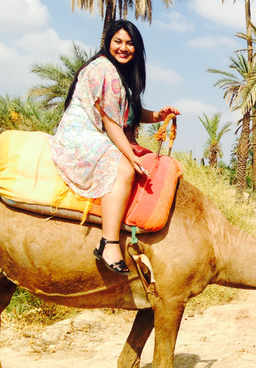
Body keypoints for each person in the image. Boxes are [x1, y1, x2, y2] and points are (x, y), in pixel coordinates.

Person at [49, 20, 180, 275]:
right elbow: (111, 122)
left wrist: (158, 115)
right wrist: (129, 156)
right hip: (80, 136)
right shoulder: (104, 70)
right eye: (117, 41)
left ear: (137, 48)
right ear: (108, 43)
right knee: (123, 167)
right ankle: (108, 243)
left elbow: (129, 112)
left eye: (129, 43)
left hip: (101, 134)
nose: (123, 48)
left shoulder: (122, 75)